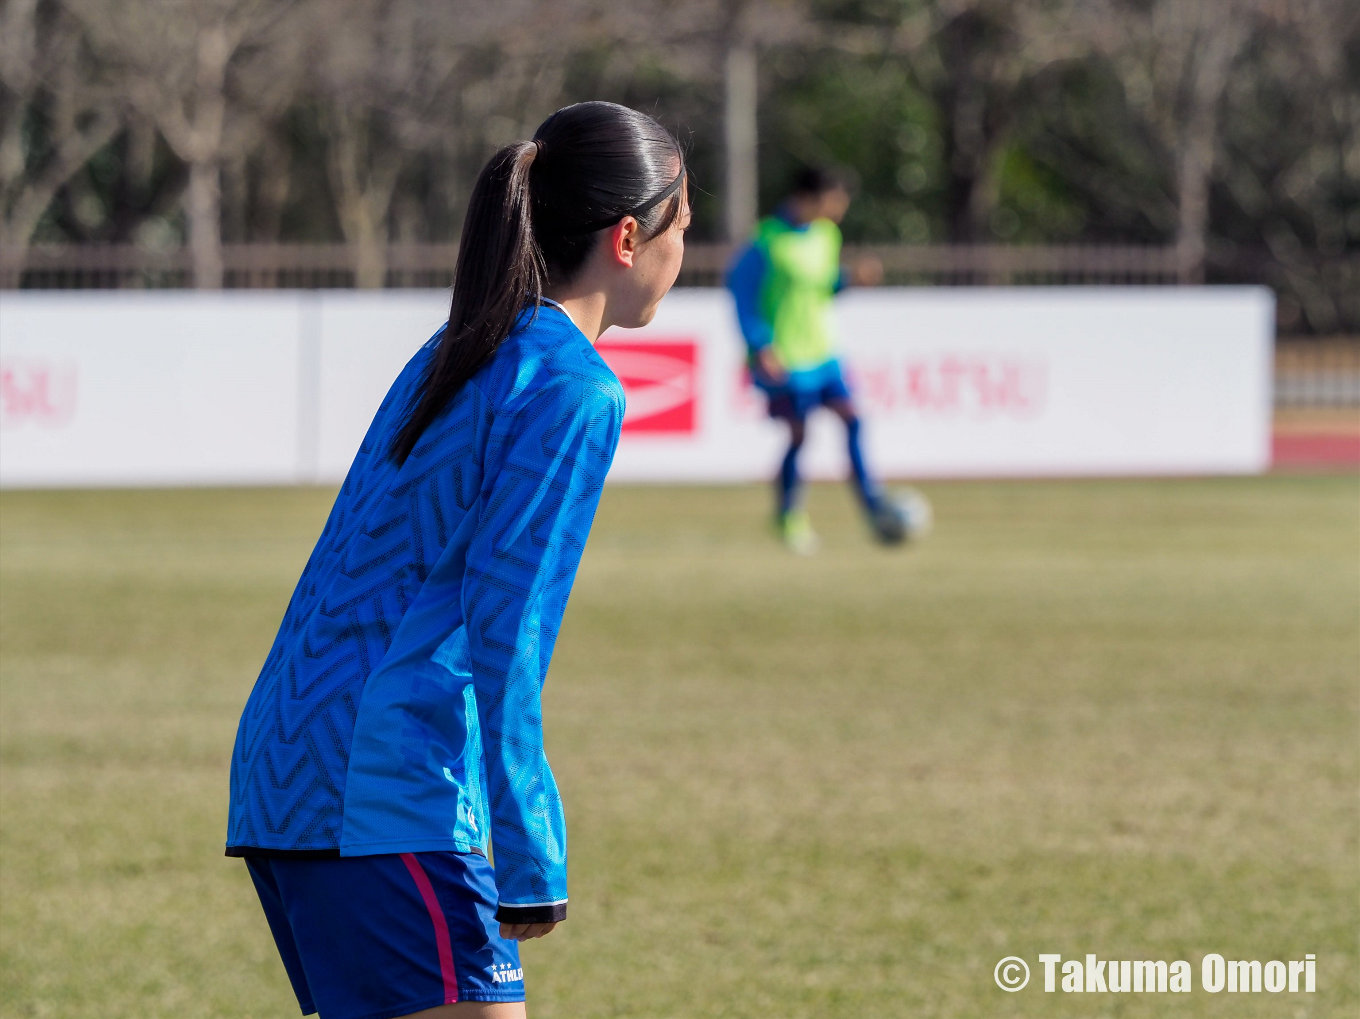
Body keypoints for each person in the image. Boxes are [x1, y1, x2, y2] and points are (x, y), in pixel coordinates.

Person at [225, 102, 688, 1019]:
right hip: (389, 791)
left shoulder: (460, 347)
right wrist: (530, 852)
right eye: (685, 223)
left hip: (290, 768)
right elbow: (506, 631)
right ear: (630, 237)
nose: (690, 248)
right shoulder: (570, 387)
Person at [725, 166, 904, 553]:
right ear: (808, 197)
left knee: (854, 419)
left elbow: (823, 286)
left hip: (823, 354)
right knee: (799, 435)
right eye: (834, 198)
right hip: (784, 358)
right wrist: (761, 346)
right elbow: (742, 294)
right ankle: (789, 516)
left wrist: (851, 279)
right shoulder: (766, 241)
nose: (840, 207)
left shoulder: (827, 235)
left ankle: (874, 507)